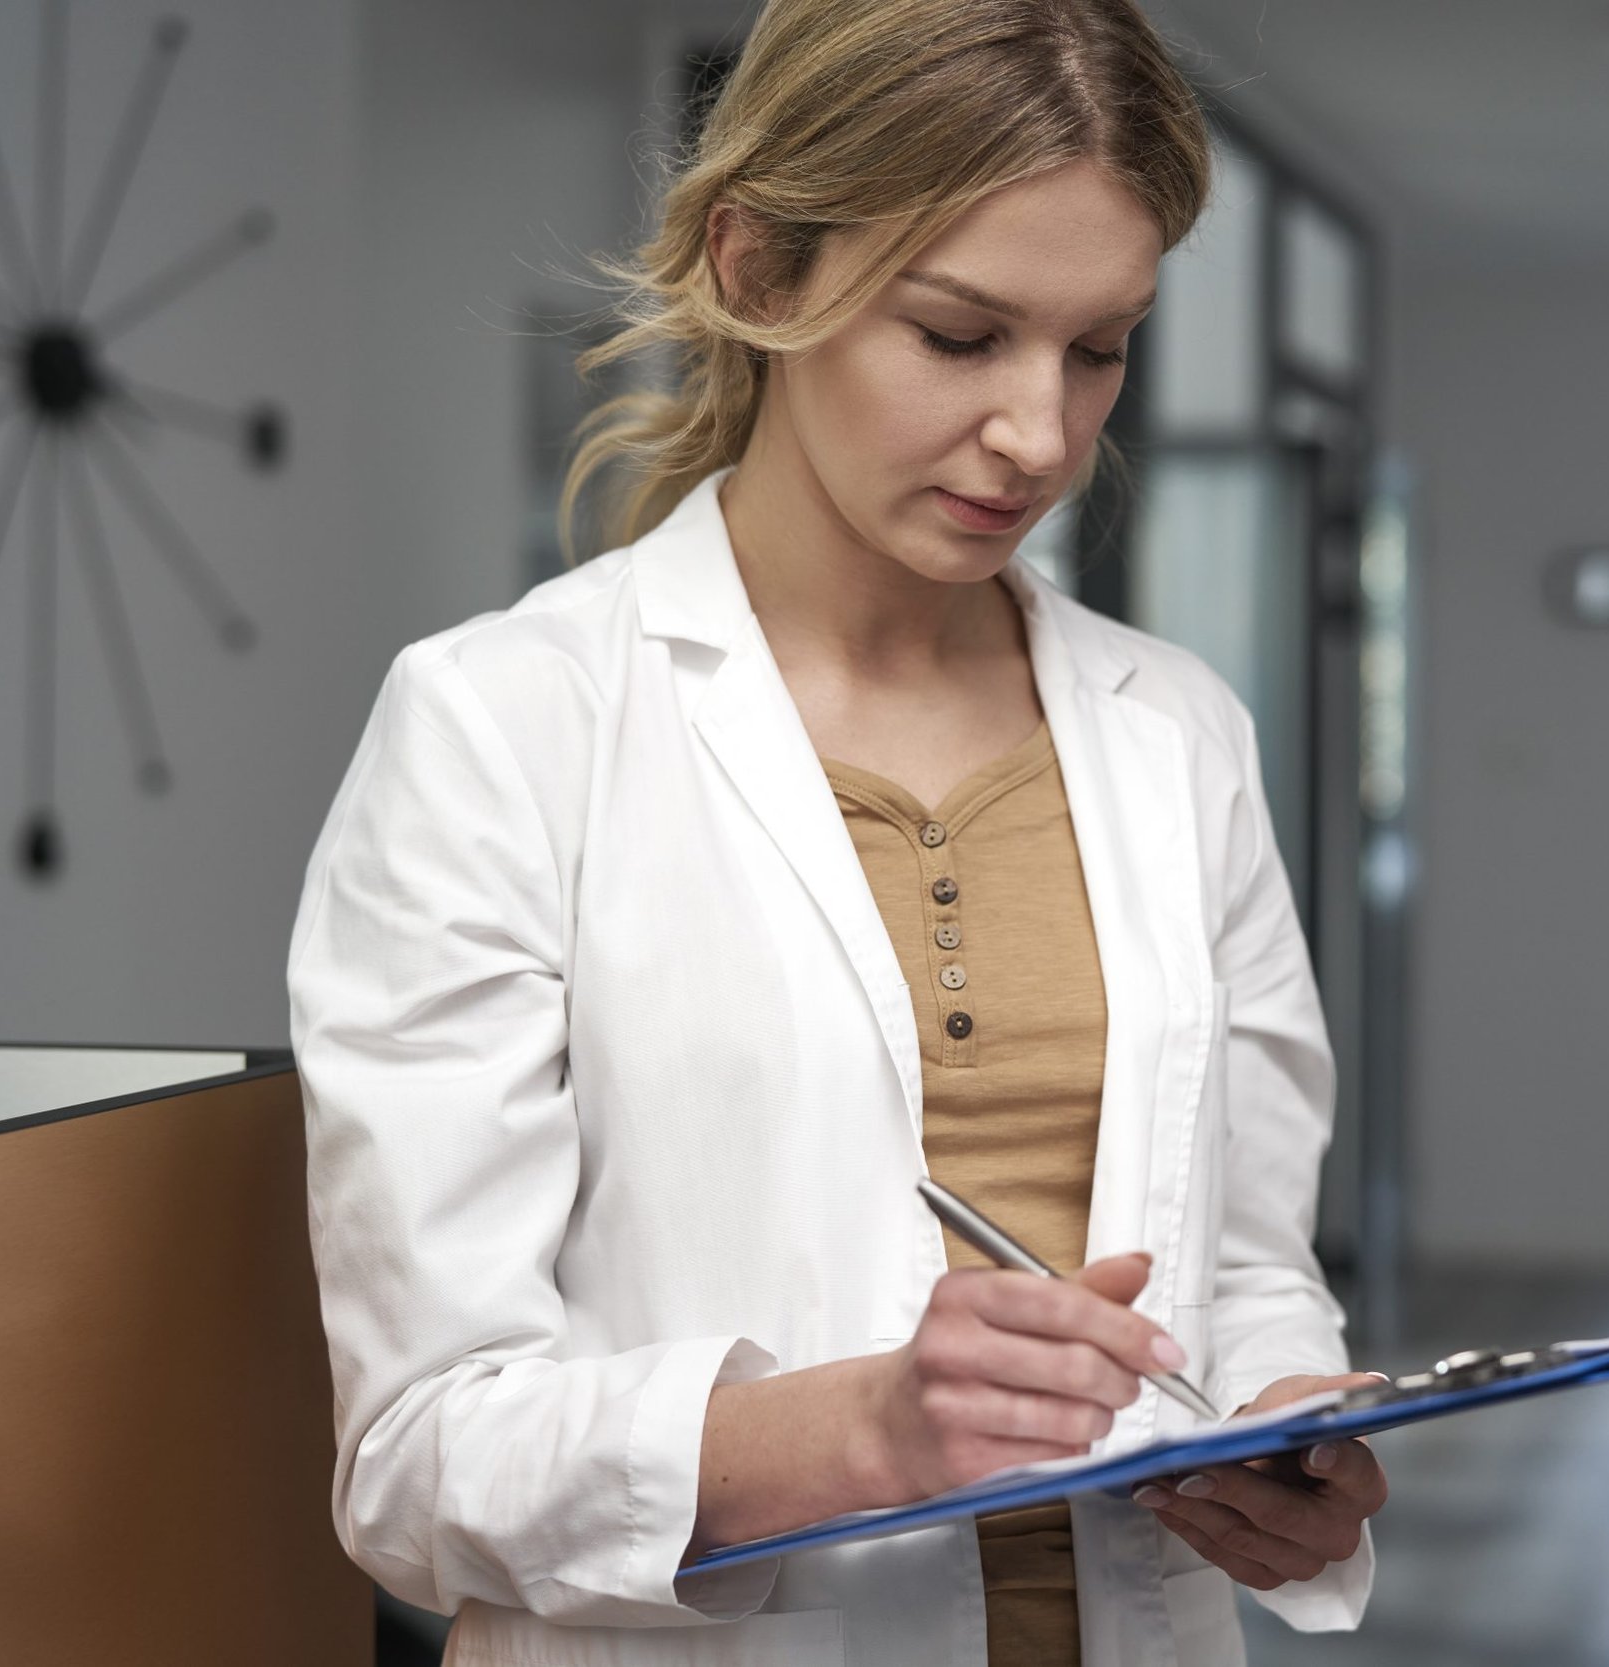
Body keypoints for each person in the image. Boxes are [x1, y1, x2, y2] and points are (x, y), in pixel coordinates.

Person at [285, 2, 1385, 1662]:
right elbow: (419, 1457)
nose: (1041, 435)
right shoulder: (501, 731)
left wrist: (1286, 1425)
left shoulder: (1181, 736)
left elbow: (1245, 1271)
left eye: (1100, 348)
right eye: (960, 336)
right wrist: (862, 1435)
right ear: (757, 269)